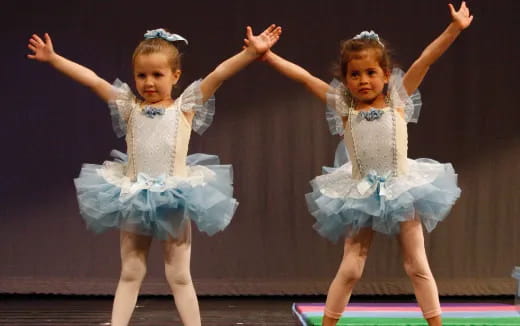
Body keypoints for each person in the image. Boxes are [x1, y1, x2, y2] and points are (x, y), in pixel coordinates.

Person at [27, 25, 281, 326]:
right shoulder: (129, 108)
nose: (148, 83)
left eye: (157, 75)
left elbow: (219, 74)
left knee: (179, 275)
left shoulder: (185, 107)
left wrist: (250, 53)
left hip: (174, 197)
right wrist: (55, 59)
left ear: (175, 76)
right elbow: (93, 81)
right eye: (141, 75)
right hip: (135, 195)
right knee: (131, 271)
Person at [250, 3, 472, 325]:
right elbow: (304, 78)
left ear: (386, 75)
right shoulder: (343, 107)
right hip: (360, 191)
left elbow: (425, 60)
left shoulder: (398, 99)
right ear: (345, 79)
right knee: (352, 267)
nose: (363, 80)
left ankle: (436, 323)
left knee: (417, 265)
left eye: (371, 73)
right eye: (355, 74)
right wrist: (268, 56)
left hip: (401, 188)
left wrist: (454, 29)